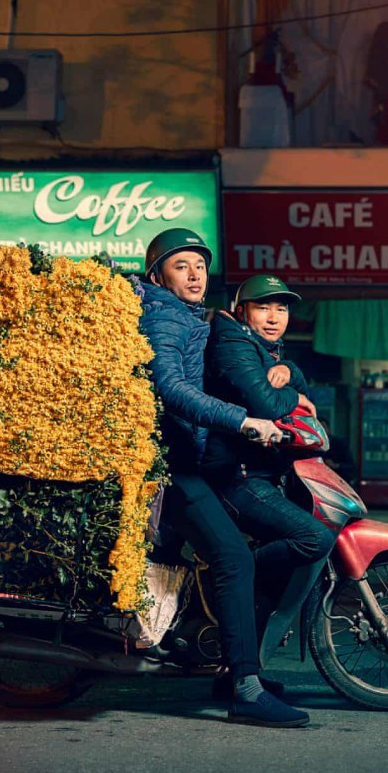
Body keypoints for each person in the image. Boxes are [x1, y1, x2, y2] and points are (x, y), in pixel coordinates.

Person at [136, 228, 309, 728]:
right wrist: (242, 421)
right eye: (180, 266)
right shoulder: (164, 315)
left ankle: (232, 660)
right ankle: (246, 689)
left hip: (191, 458)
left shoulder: (188, 315)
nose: (194, 274)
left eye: (199, 265)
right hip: (170, 465)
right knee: (233, 557)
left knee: (234, 554)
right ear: (158, 275)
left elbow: (247, 364)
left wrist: (287, 374)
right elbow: (169, 387)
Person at [201, 275, 338, 670]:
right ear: (242, 311)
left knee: (282, 568)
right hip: (235, 475)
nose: (274, 317)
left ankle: (242, 670)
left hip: (258, 473)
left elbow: (293, 382)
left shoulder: (263, 348)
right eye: (263, 307)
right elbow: (265, 401)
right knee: (313, 537)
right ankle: (229, 577)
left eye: (281, 308)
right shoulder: (231, 342)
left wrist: (291, 372)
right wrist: (293, 393)